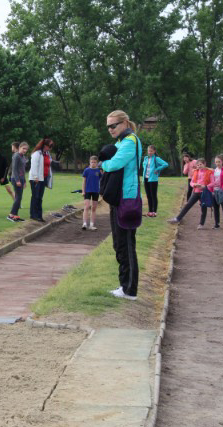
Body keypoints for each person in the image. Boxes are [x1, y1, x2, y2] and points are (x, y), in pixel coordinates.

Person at [101, 110, 142, 301]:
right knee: (119, 244)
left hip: (127, 198)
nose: (110, 129)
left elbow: (115, 163)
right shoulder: (121, 141)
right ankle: (124, 285)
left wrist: (103, 164)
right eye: (108, 126)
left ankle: (130, 290)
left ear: (124, 123)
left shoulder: (130, 141)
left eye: (113, 125)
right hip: (118, 198)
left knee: (126, 244)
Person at [168, 158, 213, 228]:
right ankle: (177, 218)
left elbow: (213, 183)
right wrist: (194, 185)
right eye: (198, 165)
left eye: (201, 164)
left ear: (204, 164)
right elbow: (191, 182)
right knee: (188, 205)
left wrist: (205, 186)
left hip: (204, 193)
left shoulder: (209, 172)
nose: (199, 166)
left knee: (203, 208)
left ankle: (201, 224)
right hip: (196, 192)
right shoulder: (195, 172)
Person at [28, 137, 54, 222]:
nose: (50, 148)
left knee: (40, 197)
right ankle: (33, 215)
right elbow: (34, 166)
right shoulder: (37, 154)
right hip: (36, 179)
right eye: (49, 146)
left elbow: (48, 164)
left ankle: (39, 215)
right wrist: (35, 177)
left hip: (43, 178)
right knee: (35, 196)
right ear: (45, 146)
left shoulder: (47, 154)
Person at [142, 145, 168, 217]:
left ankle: (154, 212)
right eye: (148, 151)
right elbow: (144, 166)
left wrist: (157, 169)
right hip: (146, 179)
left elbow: (165, 164)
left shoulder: (156, 158)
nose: (149, 152)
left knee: (153, 195)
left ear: (154, 151)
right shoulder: (146, 158)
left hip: (153, 180)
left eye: (151, 151)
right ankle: (150, 211)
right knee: (148, 196)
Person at [8, 141, 29, 222]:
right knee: (18, 198)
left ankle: (15, 215)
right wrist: (17, 180)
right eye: (23, 148)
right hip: (16, 179)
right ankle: (11, 215)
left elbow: (23, 170)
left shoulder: (22, 156)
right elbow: (14, 169)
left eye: (26, 149)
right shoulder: (16, 156)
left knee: (19, 198)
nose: (25, 150)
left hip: (21, 179)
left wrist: (24, 181)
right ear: (19, 147)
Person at [81, 155, 102, 230]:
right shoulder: (86, 170)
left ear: (97, 163)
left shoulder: (98, 171)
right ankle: (84, 224)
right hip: (87, 191)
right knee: (86, 206)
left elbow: (101, 181)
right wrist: (83, 191)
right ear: (89, 162)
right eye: (92, 162)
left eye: (94, 162)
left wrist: (101, 191)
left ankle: (92, 224)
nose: (93, 163)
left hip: (96, 191)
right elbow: (84, 181)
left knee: (94, 208)